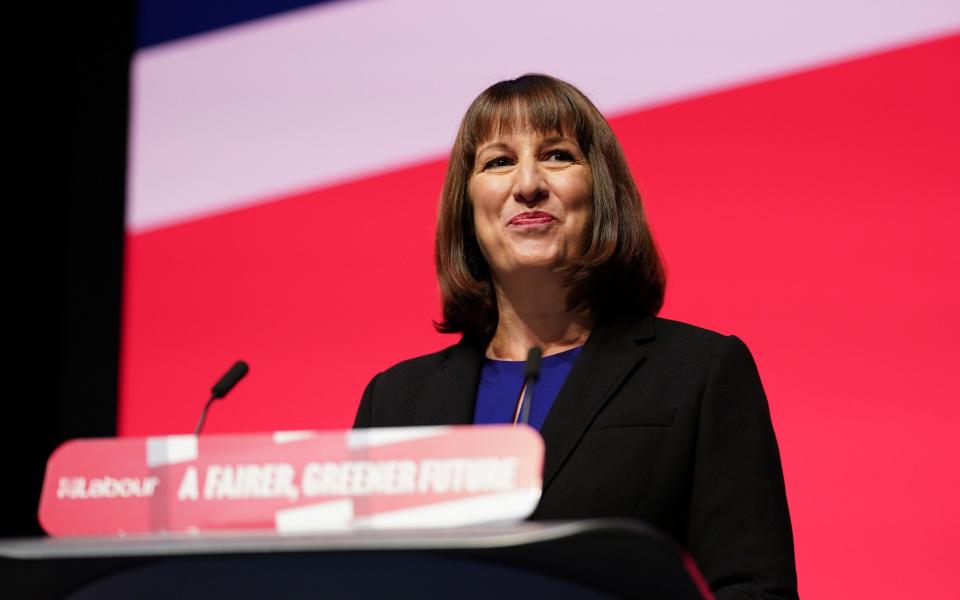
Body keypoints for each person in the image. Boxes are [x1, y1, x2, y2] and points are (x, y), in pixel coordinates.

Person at [354, 74, 798, 599]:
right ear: (467, 207)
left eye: (557, 156)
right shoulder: (396, 403)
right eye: (499, 161)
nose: (527, 185)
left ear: (600, 190)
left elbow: (753, 588)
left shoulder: (698, 372)